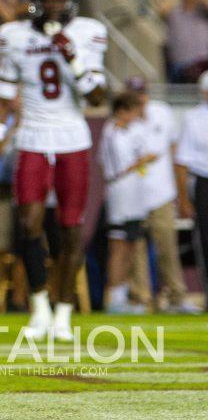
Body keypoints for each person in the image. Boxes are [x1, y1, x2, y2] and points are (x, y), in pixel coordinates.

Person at [0, 0, 108, 340]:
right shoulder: (14, 36)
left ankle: (64, 312)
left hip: (71, 136)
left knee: (70, 230)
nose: (54, 6)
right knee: (28, 224)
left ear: (71, 0)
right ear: (36, 0)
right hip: (33, 135)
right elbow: (2, 98)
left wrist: (73, 58)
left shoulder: (88, 34)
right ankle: (38, 306)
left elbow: (98, 96)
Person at [125, 76, 200, 313]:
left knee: (167, 248)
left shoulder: (162, 112)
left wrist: (180, 193)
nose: (140, 99)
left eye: (142, 93)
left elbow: (175, 150)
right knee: (135, 249)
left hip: (162, 192)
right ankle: (142, 298)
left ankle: (177, 297)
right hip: (134, 194)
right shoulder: (122, 122)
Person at [98, 91, 155, 314]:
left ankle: (123, 293)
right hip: (121, 194)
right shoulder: (111, 133)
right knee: (118, 246)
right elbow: (113, 171)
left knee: (131, 245)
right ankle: (113, 297)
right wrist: (139, 162)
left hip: (134, 195)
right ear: (121, 111)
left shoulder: (132, 131)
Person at [175, 71, 208, 298]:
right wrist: (184, 199)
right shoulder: (193, 118)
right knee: (205, 240)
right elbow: (182, 161)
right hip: (204, 180)